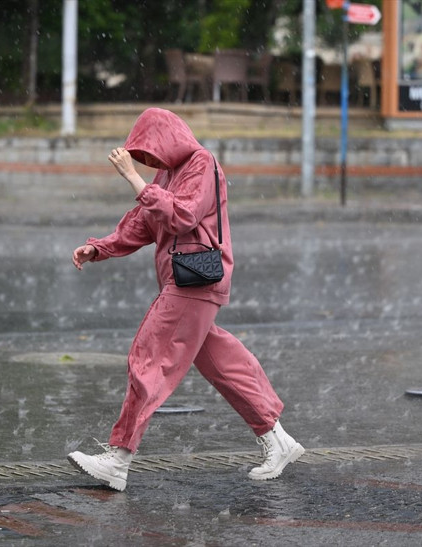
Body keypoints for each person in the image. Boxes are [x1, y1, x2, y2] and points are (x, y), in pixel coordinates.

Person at [68, 108, 304, 492]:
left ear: (167, 139)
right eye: (143, 158)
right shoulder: (167, 174)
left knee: (148, 357)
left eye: (150, 153)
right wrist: (101, 248)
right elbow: (143, 222)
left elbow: (183, 216)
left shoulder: (201, 162)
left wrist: (133, 178)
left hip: (193, 281)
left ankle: (119, 458)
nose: (149, 162)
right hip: (186, 280)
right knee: (223, 363)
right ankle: (278, 440)